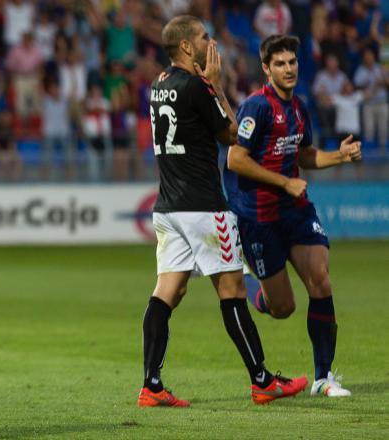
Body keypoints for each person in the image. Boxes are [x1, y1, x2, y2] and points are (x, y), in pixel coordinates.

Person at [138, 15, 307, 409]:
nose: (209, 42)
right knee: (231, 289)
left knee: (168, 291)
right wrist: (216, 83)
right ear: (185, 47)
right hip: (203, 206)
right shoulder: (197, 86)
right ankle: (263, 380)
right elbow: (235, 135)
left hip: (168, 207)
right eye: (202, 37)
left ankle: (152, 384)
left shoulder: (158, 85)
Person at [225, 35, 361, 398]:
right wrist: (284, 182)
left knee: (321, 278)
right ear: (267, 69)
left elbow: (305, 155)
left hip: (296, 211)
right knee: (282, 308)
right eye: (281, 64)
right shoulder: (256, 107)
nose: (289, 68)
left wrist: (340, 156)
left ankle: (322, 378)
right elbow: (235, 159)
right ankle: (248, 285)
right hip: (259, 217)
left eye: (292, 62)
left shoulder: (299, 108)